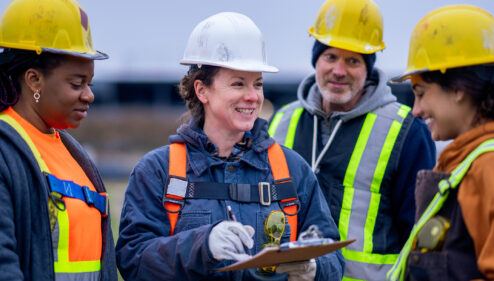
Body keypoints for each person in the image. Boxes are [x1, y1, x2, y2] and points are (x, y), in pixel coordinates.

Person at [116, 12, 345, 281]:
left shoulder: (292, 170)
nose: (252, 96)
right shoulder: (158, 171)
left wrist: (316, 268)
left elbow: (333, 258)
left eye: (257, 84)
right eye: (238, 84)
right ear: (202, 91)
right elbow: (133, 260)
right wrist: (202, 245)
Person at [268, 0, 436, 280]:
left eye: (353, 60)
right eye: (331, 57)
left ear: (368, 67)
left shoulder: (407, 131)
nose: (339, 70)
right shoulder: (281, 122)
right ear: (316, 61)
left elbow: (420, 238)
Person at [0, 0, 117, 280]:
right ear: (34, 80)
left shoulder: (74, 155)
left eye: (89, 83)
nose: (89, 95)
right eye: (76, 84)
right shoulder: (6, 152)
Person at [387, 5, 494, 281]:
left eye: (421, 93)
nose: (415, 110)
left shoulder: (490, 165)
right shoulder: (464, 160)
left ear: (459, 89)